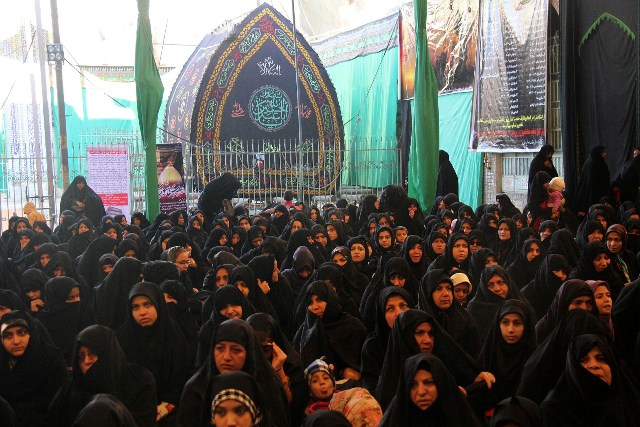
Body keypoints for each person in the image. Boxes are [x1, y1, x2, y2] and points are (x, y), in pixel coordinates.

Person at [178, 319, 290, 427]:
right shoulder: (196, 391)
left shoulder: (268, 388)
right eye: (220, 348)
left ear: (249, 352)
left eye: (236, 350)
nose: (226, 357)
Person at [47, 325, 157, 427]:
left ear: (107, 353)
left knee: (101, 406)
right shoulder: (72, 387)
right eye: (81, 356)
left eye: (92, 353)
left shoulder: (139, 380)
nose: (87, 361)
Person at [116, 281, 190, 424]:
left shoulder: (173, 334)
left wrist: (168, 404)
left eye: (148, 304)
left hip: (173, 407)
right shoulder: (122, 338)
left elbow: (182, 375)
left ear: (158, 304)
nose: (142, 312)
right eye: (135, 307)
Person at [541, 334, 640, 426]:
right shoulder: (556, 410)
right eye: (583, 360)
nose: (594, 365)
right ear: (573, 368)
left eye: (601, 358)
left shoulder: (628, 402)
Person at [0, 310, 67, 427]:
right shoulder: (3, 362)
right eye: (8, 335)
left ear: (32, 333)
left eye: (21, 333)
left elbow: (59, 406)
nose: (16, 341)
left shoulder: (51, 360)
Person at [379, 353, 481, 426]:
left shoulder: (460, 419)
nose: (421, 392)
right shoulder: (396, 420)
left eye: (429, 383)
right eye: (413, 385)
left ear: (441, 384)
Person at [294, 281, 367, 382]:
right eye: (310, 302)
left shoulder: (353, 327)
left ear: (330, 299)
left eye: (319, 300)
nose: (315, 307)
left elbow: (367, 365)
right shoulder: (306, 331)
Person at [478, 300, 537, 407]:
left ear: (526, 325)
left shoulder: (535, 358)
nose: (510, 330)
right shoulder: (489, 354)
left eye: (517, 323)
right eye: (505, 322)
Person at [303, 358, 383, 425]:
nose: (322, 382)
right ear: (310, 390)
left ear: (333, 384)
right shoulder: (311, 414)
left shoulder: (347, 396)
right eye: (315, 381)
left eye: (326, 378)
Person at [573, 145, 614, 217]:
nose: (605, 154)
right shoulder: (596, 165)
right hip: (595, 196)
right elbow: (596, 182)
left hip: (589, 196)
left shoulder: (589, 163)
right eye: (603, 152)